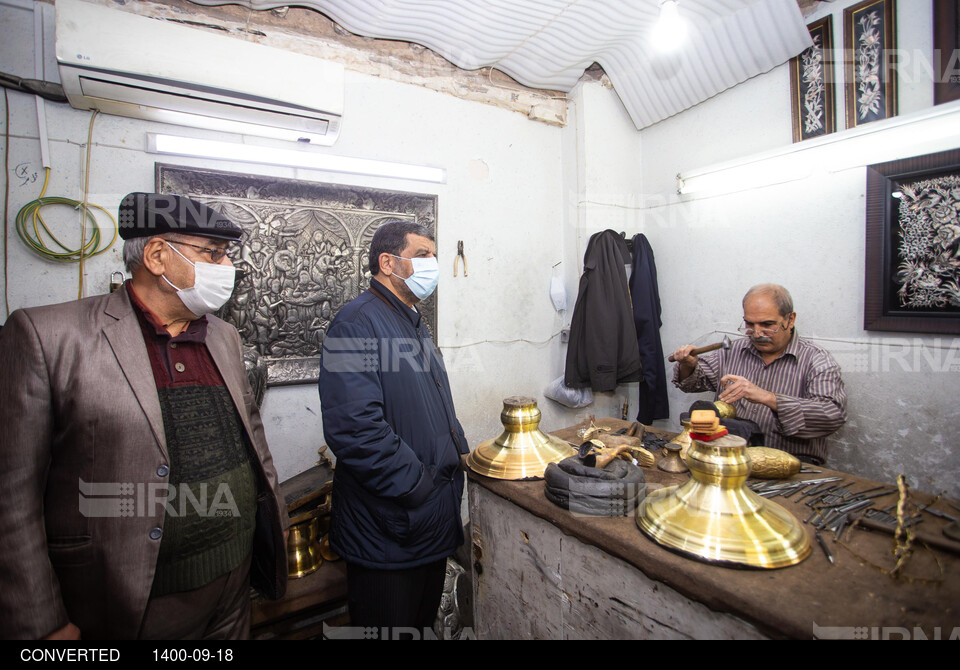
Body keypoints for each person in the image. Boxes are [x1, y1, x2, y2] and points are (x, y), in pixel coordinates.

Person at [0, 193, 287, 640]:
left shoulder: (223, 336)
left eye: (226, 254)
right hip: (135, 599)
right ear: (157, 256)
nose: (226, 266)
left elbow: (253, 437)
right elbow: (12, 495)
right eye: (212, 253)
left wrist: (276, 527)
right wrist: (42, 621)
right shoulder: (50, 337)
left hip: (234, 584)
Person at [318, 220, 468, 636]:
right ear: (388, 262)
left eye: (434, 256)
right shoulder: (355, 323)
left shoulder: (411, 321)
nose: (432, 265)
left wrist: (459, 456)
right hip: (392, 527)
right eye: (422, 256)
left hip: (427, 521)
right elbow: (355, 430)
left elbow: (432, 404)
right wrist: (419, 489)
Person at [671, 284, 846, 465]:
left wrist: (768, 398)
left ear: (790, 319)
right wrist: (688, 365)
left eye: (767, 324)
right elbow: (692, 383)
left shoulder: (816, 360)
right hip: (728, 460)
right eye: (749, 324)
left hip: (791, 465)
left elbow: (832, 416)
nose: (757, 333)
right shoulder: (733, 350)